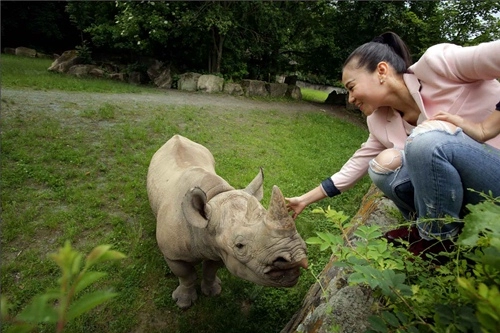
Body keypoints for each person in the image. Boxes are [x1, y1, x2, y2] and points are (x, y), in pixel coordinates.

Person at [286, 32, 500, 257]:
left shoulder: (439, 65)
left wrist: (485, 128)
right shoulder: (378, 120)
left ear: (381, 71)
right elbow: (354, 166)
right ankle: (438, 232)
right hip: (470, 200)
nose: (349, 98)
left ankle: (435, 243)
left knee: (424, 140)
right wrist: (304, 200)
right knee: (381, 167)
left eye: (351, 87)